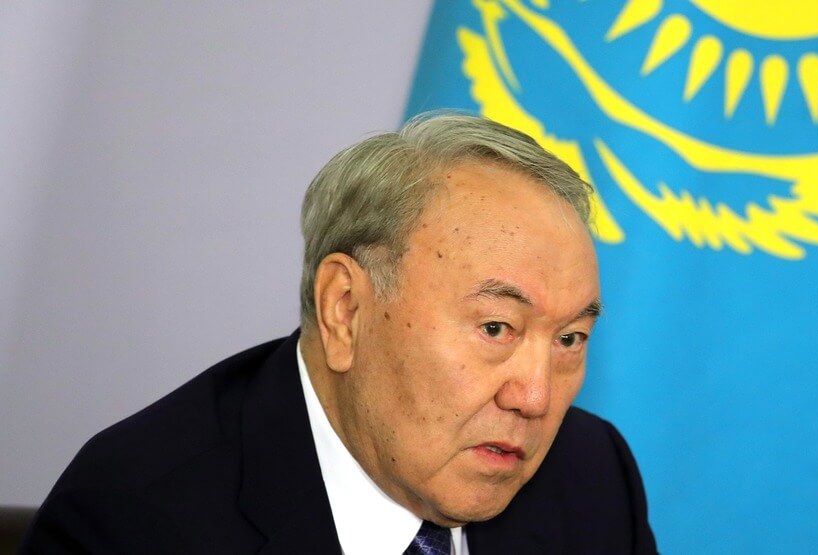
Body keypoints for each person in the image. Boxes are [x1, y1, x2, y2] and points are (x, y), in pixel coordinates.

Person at [20, 114, 657, 554]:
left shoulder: (590, 477)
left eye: (570, 339)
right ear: (345, 310)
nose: (536, 398)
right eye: (497, 328)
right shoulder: (135, 523)